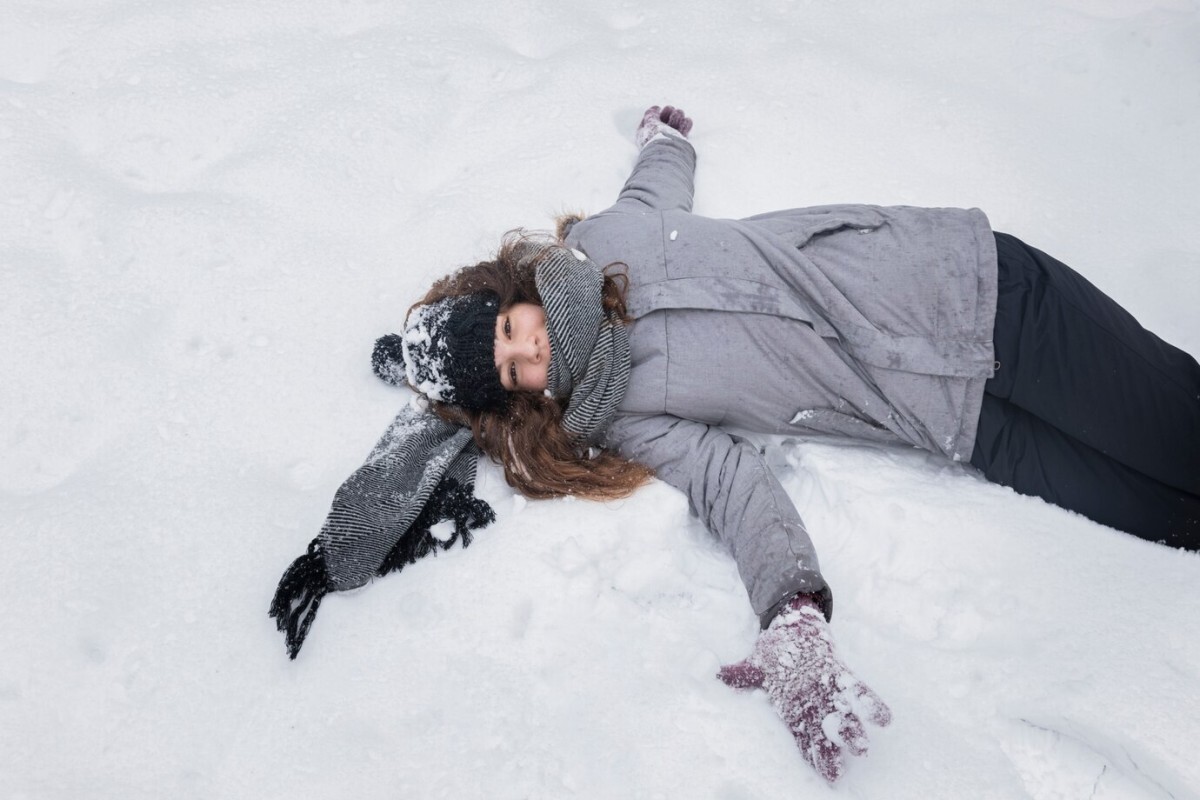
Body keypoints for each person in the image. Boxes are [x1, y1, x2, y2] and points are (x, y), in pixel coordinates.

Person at [271, 105, 1200, 783]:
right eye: (515, 369)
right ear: (522, 395)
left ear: (507, 297)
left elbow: (654, 186)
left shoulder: (603, 240)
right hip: (961, 424)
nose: (530, 348)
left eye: (510, 329)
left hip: (981, 293)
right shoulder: (620, 414)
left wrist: (665, 141)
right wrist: (791, 613)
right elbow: (730, 484)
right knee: (1173, 514)